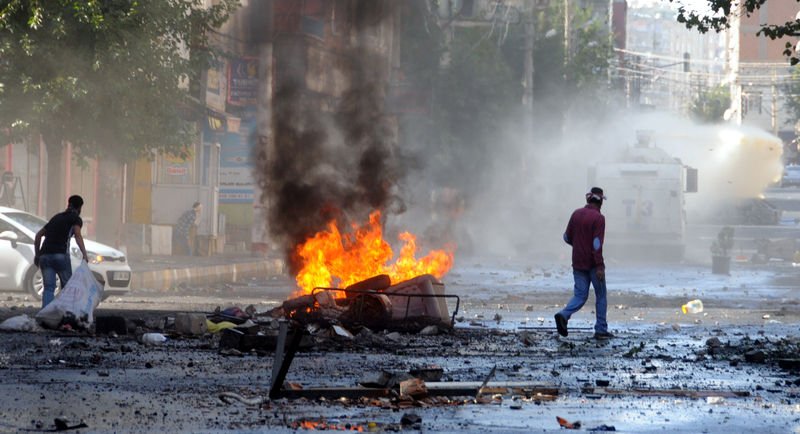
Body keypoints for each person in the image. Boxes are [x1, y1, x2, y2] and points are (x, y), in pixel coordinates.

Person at [554, 187, 614, 340]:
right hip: (593, 264)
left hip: (577, 262)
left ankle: (564, 314)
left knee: (580, 295)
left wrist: (579, 245)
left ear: (588, 199)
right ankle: (601, 329)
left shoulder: (576, 214)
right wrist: (599, 265)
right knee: (601, 295)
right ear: (600, 202)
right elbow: (596, 244)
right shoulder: (599, 218)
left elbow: (567, 237)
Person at [33, 195, 89, 308]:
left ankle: (46, 315)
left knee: (48, 288)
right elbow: (77, 235)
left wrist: (37, 255)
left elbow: (38, 235)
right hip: (60, 255)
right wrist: (84, 254)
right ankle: (66, 313)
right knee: (68, 287)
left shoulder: (56, 218)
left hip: (45, 256)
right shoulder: (75, 219)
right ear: (80, 208)